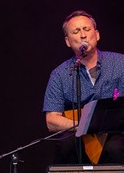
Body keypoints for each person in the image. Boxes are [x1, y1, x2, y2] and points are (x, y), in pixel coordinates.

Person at [43, 10, 124, 164]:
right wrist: (85, 126)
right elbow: (51, 120)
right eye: (76, 31)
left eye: (86, 29)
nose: (82, 35)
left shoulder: (120, 64)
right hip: (77, 133)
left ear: (97, 34)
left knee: (115, 147)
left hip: (113, 133)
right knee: (67, 144)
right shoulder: (60, 74)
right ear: (67, 41)